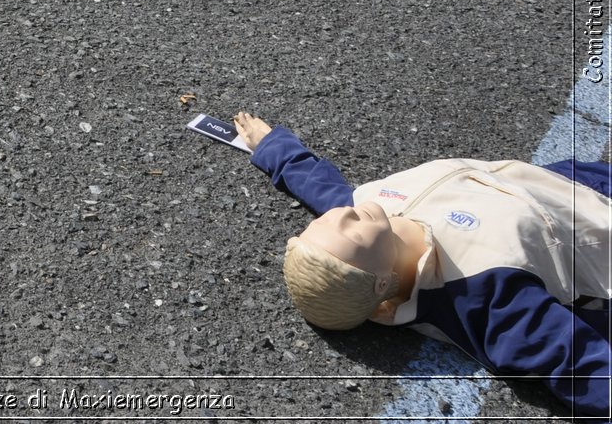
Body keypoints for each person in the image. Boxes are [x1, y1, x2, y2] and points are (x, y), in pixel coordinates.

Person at [232, 111, 612, 420]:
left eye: (321, 223)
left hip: (558, 179)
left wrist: (272, 146)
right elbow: (576, 364)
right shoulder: (481, 294)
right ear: (383, 285)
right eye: (347, 234)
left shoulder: (363, 212)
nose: (340, 216)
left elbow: (316, 183)